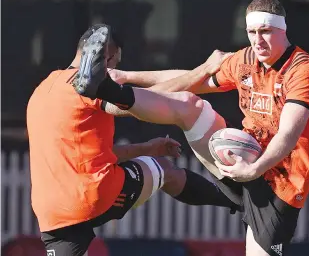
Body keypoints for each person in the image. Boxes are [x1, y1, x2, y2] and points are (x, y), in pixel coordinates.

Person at [73, 0, 309, 256]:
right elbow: (192, 79)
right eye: (252, 32)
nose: (257, 40)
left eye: (266, 31)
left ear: (282, 30)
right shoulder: (246, 60)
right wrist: (128, 77)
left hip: (278, 184)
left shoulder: (305, 71)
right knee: (189, 105)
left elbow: (288, 134)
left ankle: (231, 198)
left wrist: (252, 170)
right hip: (242, 161)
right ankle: (114, 96)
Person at [26, 24, 242, 256]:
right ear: (106, 58)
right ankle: (234, 200)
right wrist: (204, 69)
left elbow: (89, 153)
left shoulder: (44, 87)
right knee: (165, 169)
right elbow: (150, 100)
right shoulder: (88, 86)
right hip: (92, 195)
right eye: (114, 65)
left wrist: (145, 148)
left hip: (51, 212)